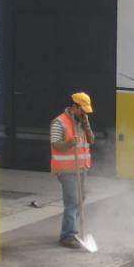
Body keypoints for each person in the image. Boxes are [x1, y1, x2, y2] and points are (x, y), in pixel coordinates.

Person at [50, 92, 95, 249]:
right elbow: (55, 144)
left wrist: (86, 124)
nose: (84, 114)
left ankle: (71, 231)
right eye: (82, 110)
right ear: (74, 106)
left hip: (81, 168)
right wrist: (69, 143)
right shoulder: (59, 122)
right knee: (72, 202)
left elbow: (91, 140)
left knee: (80, 200)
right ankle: (68, 236)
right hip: (66, 170)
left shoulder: (81, 122)